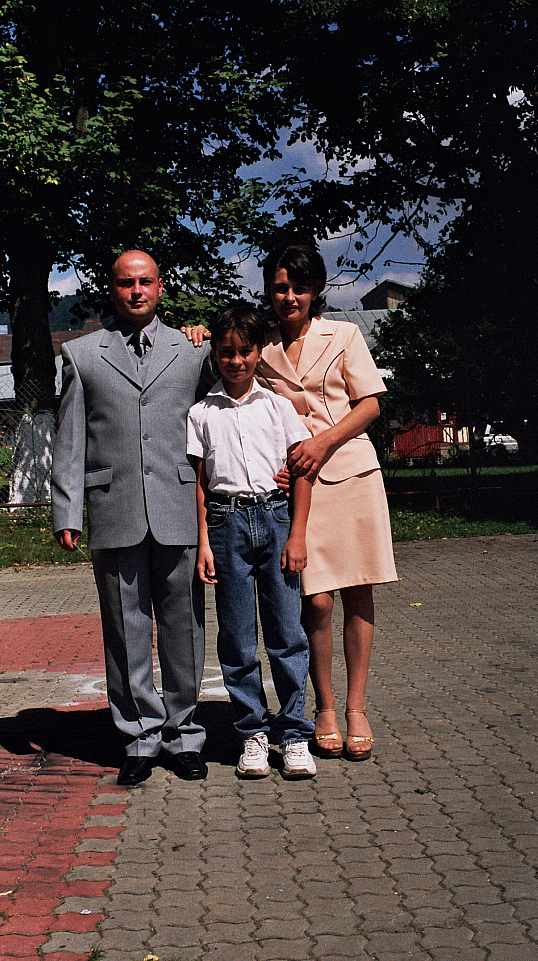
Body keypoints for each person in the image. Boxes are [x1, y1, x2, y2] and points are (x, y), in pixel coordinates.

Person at [51, 249, 214, 786]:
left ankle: (184, 732)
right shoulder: (82, 355)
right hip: (113, 506)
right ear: (113, 289)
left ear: (161, 287)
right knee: (124, 627)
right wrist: (66, 510)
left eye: (146, 281)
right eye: (126, 283)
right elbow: (70, 440)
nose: (137, 291)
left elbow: (220, 420)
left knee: (183, 626)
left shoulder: (194, 350)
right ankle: (140, 736)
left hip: (178, 505)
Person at [257, 245, 398, 761]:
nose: (289, 296)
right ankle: (325, 707)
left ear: (315, 291)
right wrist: (196, 332)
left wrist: (322, 442)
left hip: (351, 471)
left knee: (358, 591)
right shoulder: (261, 345)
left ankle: (357, 707)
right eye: (279, 287)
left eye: (299, 287)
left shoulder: (343, 335)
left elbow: (370, 404)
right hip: (298, 486)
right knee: (314, 599)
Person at [187, 304, 317, 780]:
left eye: (245, 351)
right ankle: (252, 734)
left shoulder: (278, 406)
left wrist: (297, 533)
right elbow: (200, 483)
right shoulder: (201, 413)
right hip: (226, 526)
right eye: (226, 352)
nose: (236, 360)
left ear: (258, 353)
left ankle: (295, 733)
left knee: (287, 634)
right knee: (238, 640)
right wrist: (204, 541)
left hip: (276, 519)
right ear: (216, 356)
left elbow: (302, 469)